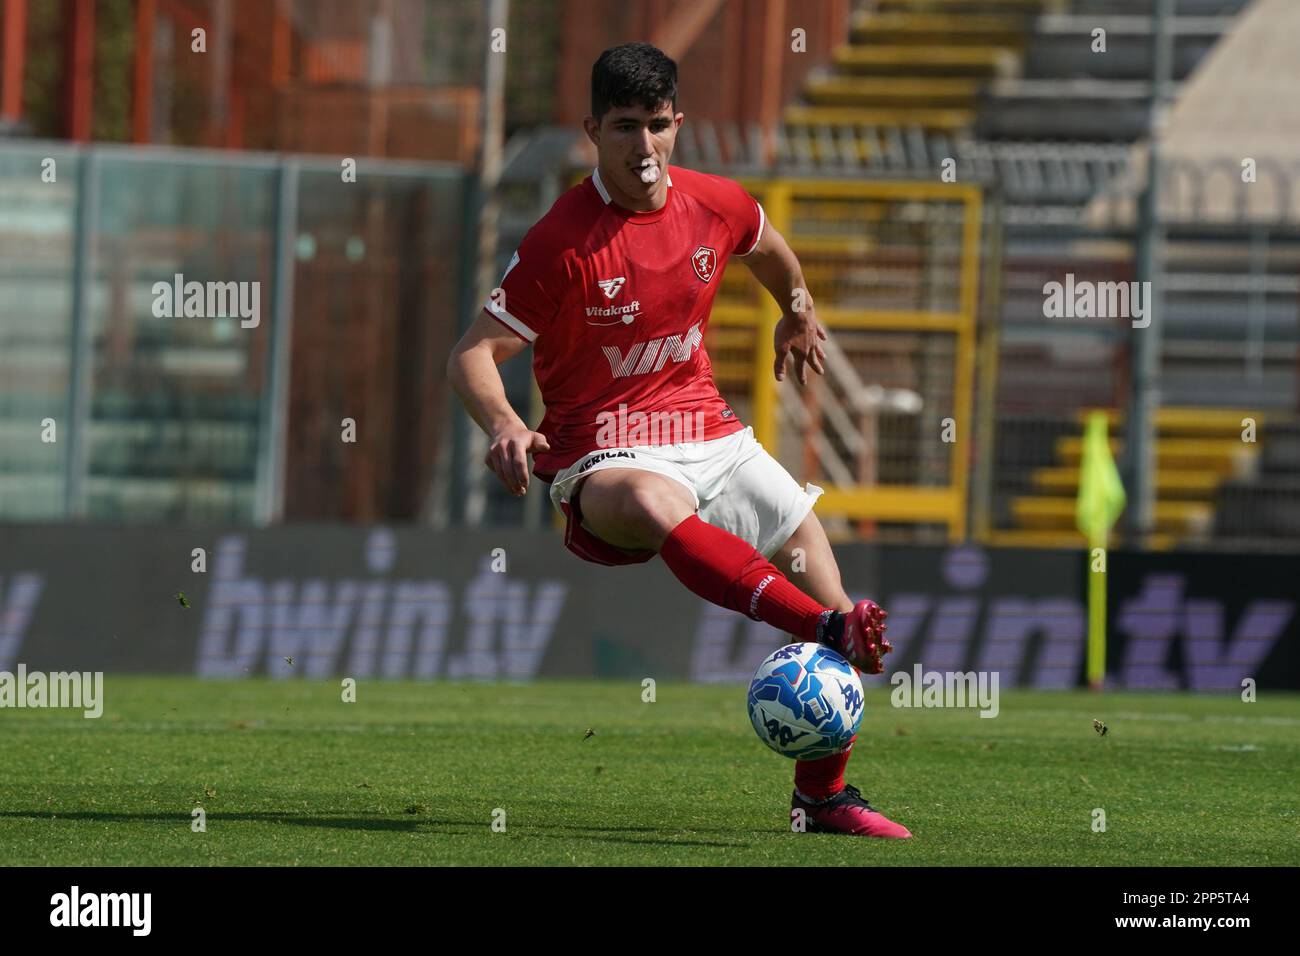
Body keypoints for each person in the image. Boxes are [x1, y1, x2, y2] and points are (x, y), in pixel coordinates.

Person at [448, 42, 908, 838]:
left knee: (841, 616)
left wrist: (796, 307)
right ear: (593, 128)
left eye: (658, 126)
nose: (645, 147)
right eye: (625, 127)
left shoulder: (714, 204)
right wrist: (506, 424)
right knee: (654, 500)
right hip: (602, 449)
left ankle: (822, 798)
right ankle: (818, 628)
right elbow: (473, 354)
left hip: (705, 428)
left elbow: (765, 243)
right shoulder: (563, 240)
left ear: (678, 124)